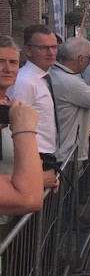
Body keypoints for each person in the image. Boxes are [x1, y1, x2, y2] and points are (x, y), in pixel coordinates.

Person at [7, 25, 59, 186]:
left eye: (54, 47)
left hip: (46, 157)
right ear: (28, 50)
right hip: (34, 159)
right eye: (44, 48)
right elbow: (15, 126)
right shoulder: (25, 81)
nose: (51, 52)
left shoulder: (43, 77)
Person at [49, 37, 90, 164]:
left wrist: (84, 124)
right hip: (66, 156)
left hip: (61, 150)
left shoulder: (57, 73)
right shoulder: (70, 82)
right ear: (81, 59)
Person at [0, 35, 45, 217]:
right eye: (0, 61)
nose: (8, 68)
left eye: (13, 62)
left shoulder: (9, 104)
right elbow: (28, 199)